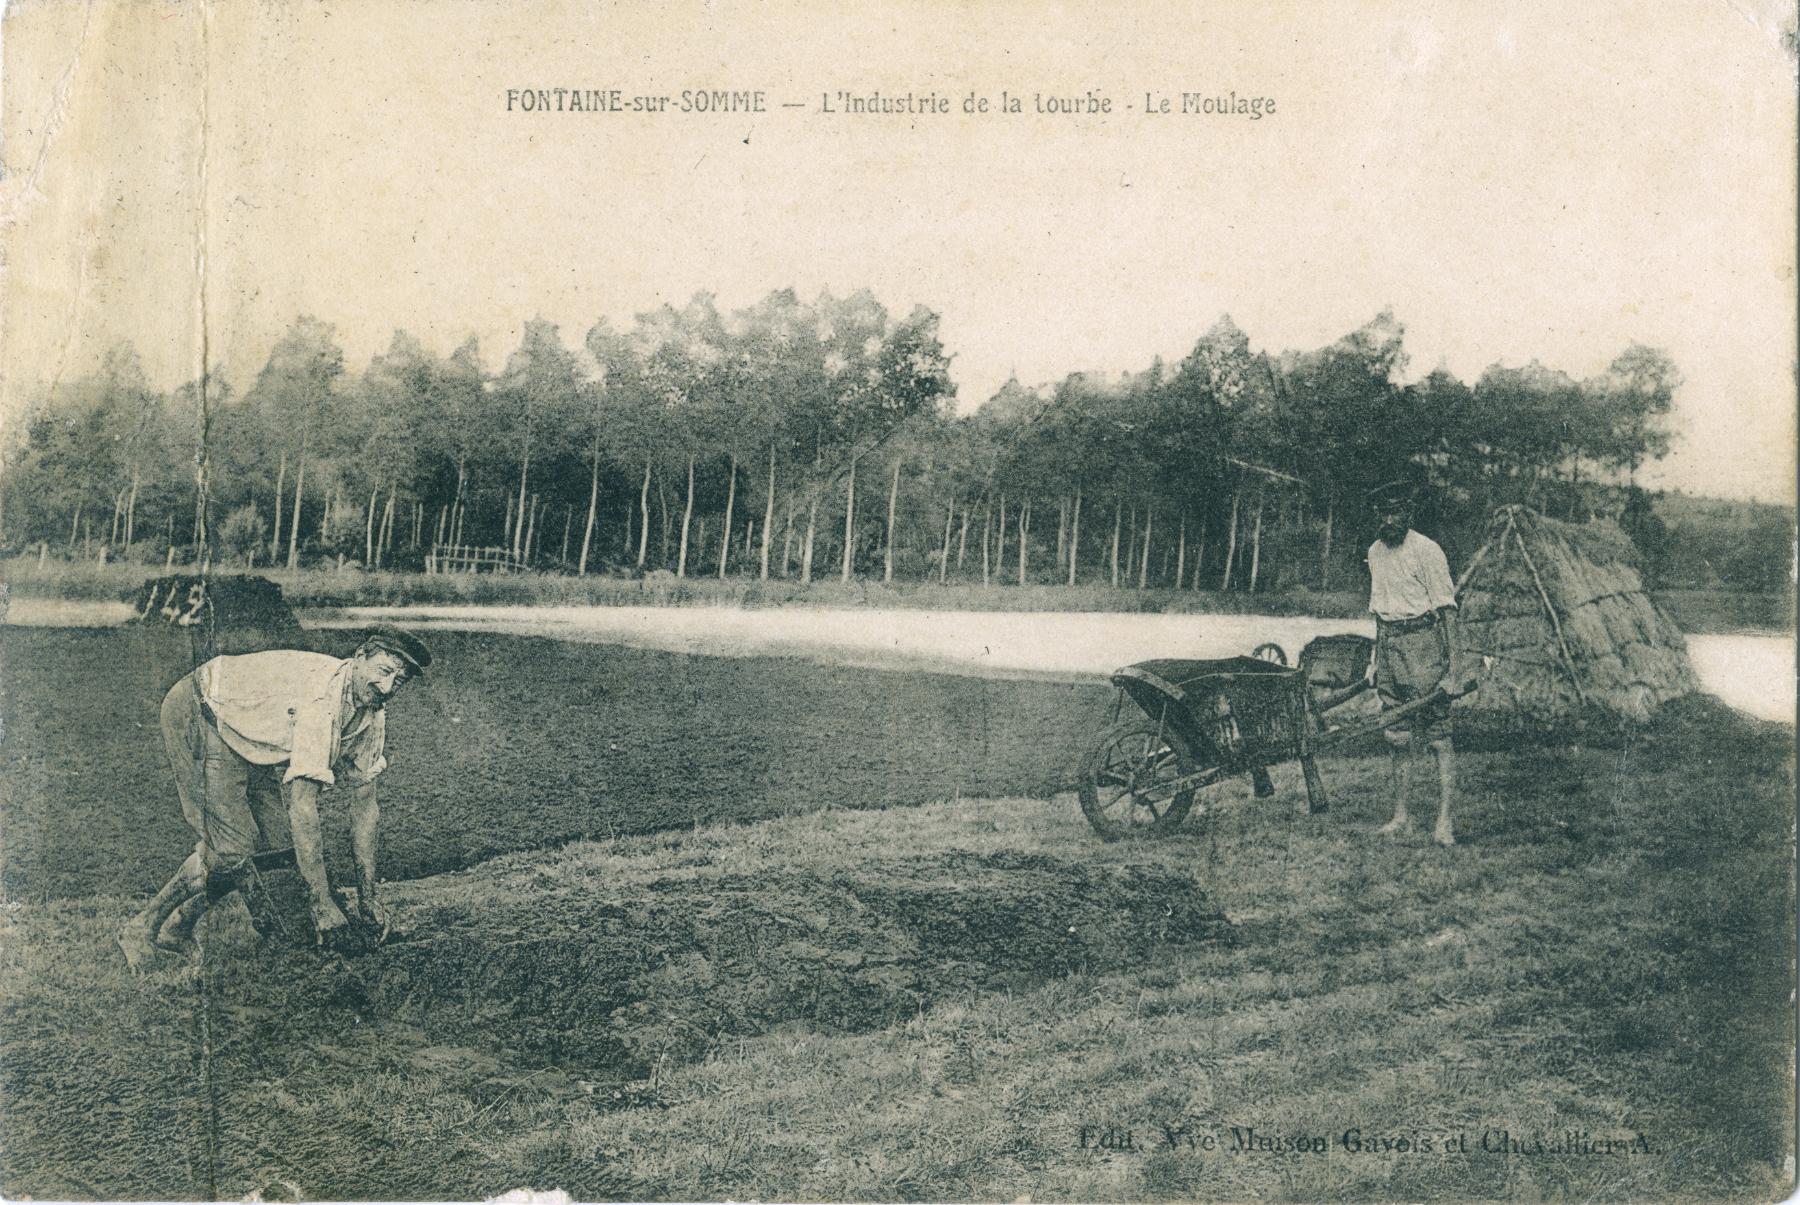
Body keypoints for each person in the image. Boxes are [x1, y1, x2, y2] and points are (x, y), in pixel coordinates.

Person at [116, 626, 432, 970]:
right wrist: (322, 903)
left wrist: (368, 898)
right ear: (359, 657)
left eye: (398, 681)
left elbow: (365, 807)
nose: (387, 688)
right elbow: (303, 807)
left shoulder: (372, 715)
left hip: (249, 734)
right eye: (383, 672)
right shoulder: (322, 702)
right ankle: (141, 927)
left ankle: (179, 925)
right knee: (234, 846)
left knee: (276, 848)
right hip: (201, 709)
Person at [1362, 481, 1460, 846]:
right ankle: (1401, 816)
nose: (1388, 520)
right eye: (1382, 513)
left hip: (1423, 646)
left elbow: (1449, 612)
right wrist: (1376, 660)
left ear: (1408, 513)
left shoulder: (1427, 550)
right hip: (1389, 648)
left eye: (1395, 512)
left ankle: (1444, 822)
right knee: (1396, 735)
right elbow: (1378, 611)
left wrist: (1454, 671)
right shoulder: (1374, 551)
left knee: (1438, 739)